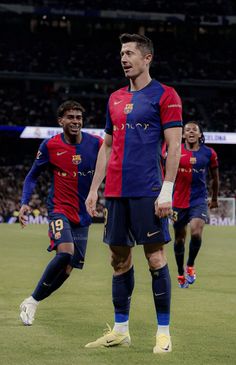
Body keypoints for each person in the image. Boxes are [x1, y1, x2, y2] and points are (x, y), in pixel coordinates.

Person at [85, 33, 183, 353]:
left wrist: (167, 189)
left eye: (129, 53)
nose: (123, 58)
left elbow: (173, 146)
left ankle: (163, 333)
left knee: (155, 258)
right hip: (115, 191)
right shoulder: (113, 98)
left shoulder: (165, 95)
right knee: (119, 259)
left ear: (147, 58)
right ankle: (121, 330)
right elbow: (107, 146)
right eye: (121, 53)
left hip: (148, 190)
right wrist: (93, 190)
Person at [19, 100, 103, 325]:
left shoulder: (97, 144)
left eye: (79, 118)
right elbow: (32, 175)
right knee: (65, 252)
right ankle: (32, 303)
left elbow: (113, 166)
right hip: (59, 210)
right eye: (71, 117)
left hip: (83, 215)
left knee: (67, 270)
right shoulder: (50, 145)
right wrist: (25, 202)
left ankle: (32, 301)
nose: (76, 121)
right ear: (61, 121)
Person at [172, 121, 219, 288]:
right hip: (178, 201)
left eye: (194, 130)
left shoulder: (209, 153)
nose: (191, 132)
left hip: (198, 200)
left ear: (200, 134)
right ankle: (179, 272)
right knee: (179, 239)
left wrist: (214, 198)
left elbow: (215, 177)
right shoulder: (175, 151)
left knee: (196, 232)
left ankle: (190, 266)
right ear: (183, 134)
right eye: (187, 130)